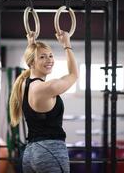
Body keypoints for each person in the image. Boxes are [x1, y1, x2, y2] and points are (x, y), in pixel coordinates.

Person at [9, 30, 78, 173]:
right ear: (32, 62)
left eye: (51, 56)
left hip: (30, 154)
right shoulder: (48, 87)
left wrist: (31, 44)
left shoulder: (23, 85)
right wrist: (66, 44)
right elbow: (74, 74)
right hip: (50, 152)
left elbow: (30, 67)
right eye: (42, 57)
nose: (49, 60)